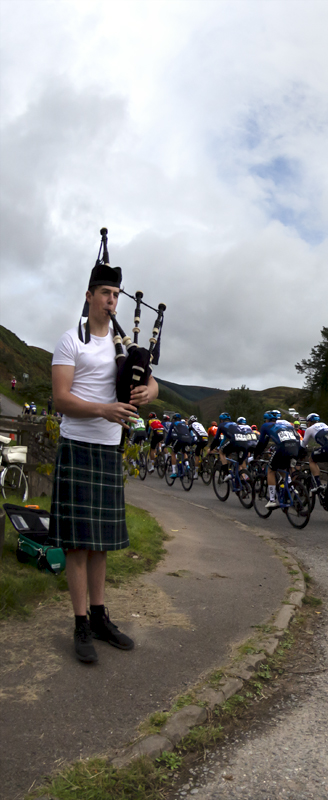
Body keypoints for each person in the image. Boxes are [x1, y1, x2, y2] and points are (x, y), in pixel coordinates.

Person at [50, 259, 159, 663]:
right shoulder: (71, 340)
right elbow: (61, 398)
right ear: (89, 296)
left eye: (116, 295)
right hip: (78, 445)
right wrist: (103, 410)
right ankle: (79, 623)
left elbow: (144, 372)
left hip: (109, 449)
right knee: (78, 545)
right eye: (105, 294)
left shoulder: (121, 345)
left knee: (101, 546)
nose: (111, 301)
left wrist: (150, 389)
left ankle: (99, 617)